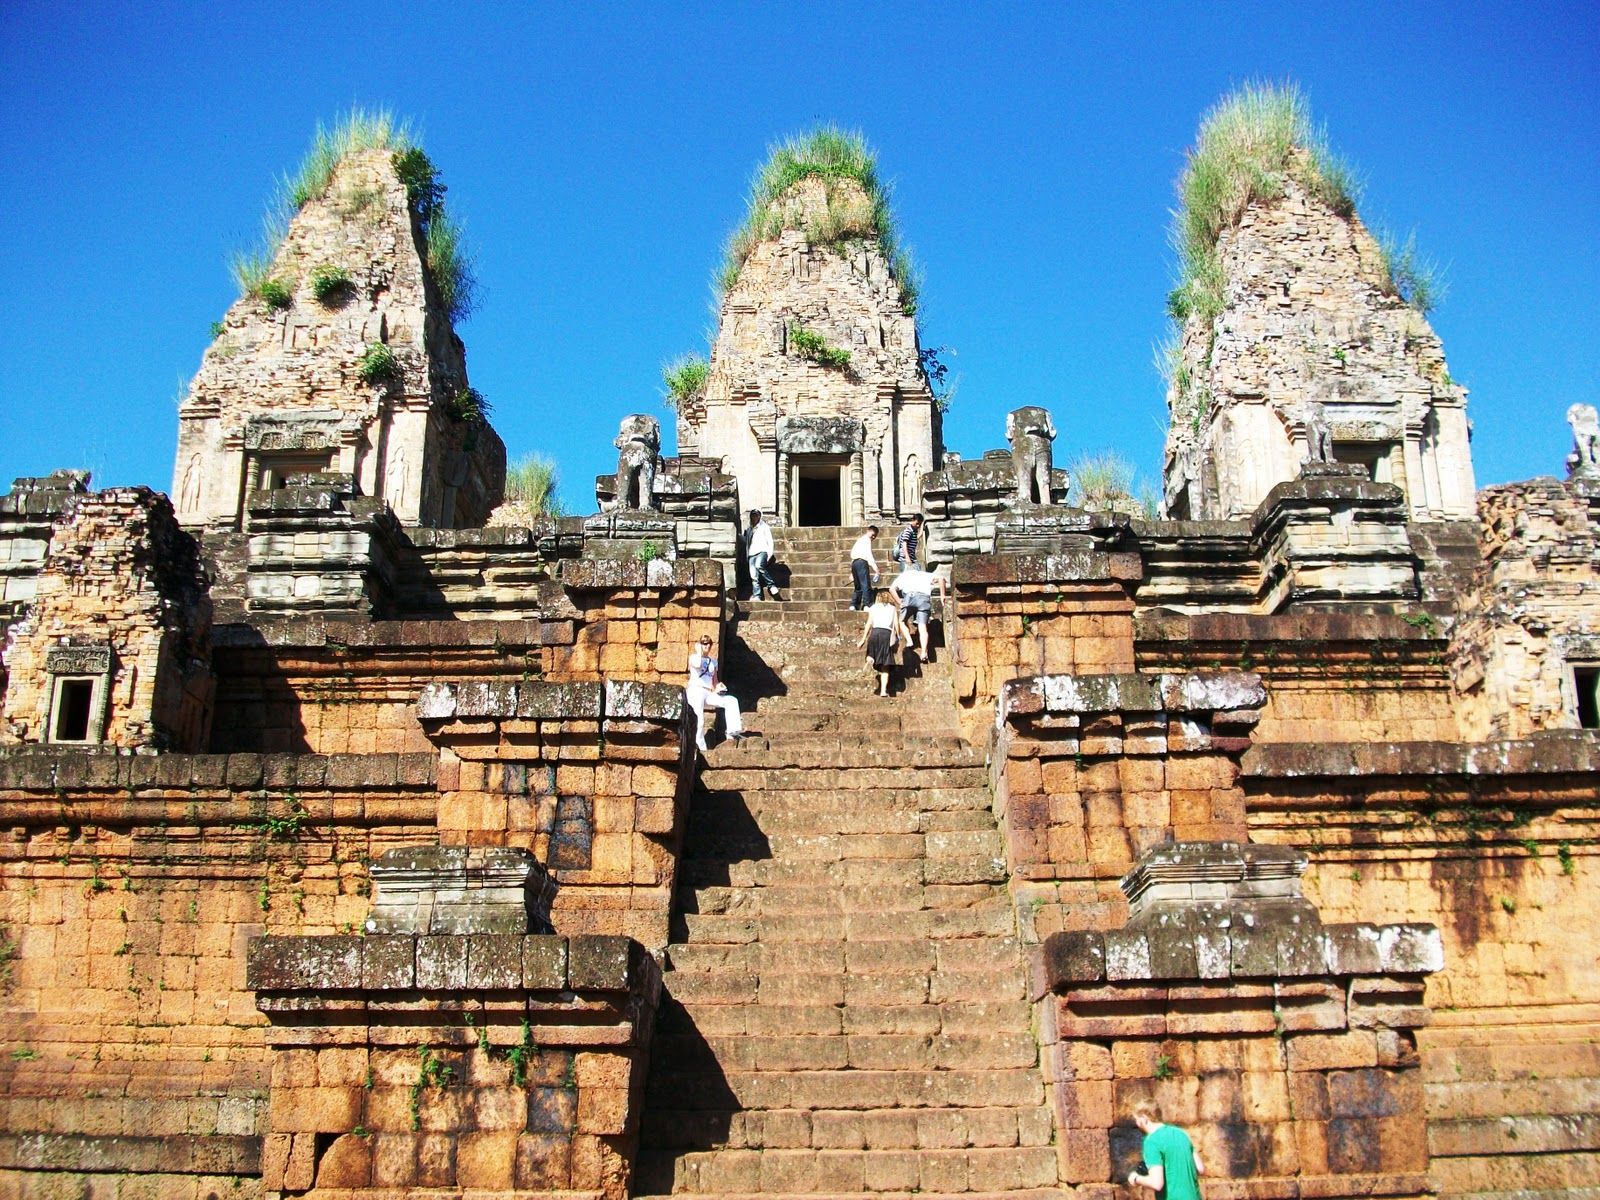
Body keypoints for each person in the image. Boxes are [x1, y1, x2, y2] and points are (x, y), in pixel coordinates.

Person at [1128, 1099, 1205, 1200]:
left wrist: (1135, 1178)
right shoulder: (1181, 1133)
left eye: (1137, 1119)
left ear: (1144, 1118)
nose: (1137, 1123)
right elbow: (1200, 1169)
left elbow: (1157, 1183)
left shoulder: (1151, 1141)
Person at [686, 634, 749, 751]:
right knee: (699, 720)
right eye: (704, 643)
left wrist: (719, 687)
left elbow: (714, 681)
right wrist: (699, 651)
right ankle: (700, 747)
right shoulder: (694, 657)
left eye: (709, 643)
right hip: (696, 690)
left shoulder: (713, 662)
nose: (707, 646)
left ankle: (732, 731)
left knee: (731, 700)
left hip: (708, 692)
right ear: (700, 645)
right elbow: (698, 665)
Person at [856, 587, 909, 698]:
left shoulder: (874, 608)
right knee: (886, 665)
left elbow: (869, 624)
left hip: (875, 632)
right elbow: (896, 624)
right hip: (887, 634)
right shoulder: (893, 609)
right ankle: (884, 691)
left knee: (872, 653)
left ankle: (871, 657)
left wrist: (863, 639)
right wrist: (898, 637)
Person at [890, 562, 947, 659]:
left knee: (902, 621)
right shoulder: (924, 574)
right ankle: (924, 652)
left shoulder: (904, 575)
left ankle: (909, 640)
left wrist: (899, 602)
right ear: (918, 569)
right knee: (922, 626)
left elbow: (891, 589)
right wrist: (942, 595)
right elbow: (942, 578)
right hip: (923, 599)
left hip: (909, 597)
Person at [746, 509, 779, 601]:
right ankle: (757, 595)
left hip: (762, 551)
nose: (754, 517)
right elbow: (747, 544)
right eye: (753, 515)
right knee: (754, 576)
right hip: (751, 554)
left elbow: (770, 541)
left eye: (756, 515)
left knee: (759, 566)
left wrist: (770, 554)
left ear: (759, 517)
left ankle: (772, 585)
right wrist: (747, 556)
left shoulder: (764, 527)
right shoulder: (749, 529)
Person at [848, 525, 880, 611]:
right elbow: (868, 555)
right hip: (862, 562)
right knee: (865, 584)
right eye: (872, 534)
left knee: (858, 586)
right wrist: (875, 568)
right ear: (868, 531)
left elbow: (854, 554)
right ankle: (867, 604)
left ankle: (854, 605)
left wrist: (852, 571)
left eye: (875, 536)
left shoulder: (860, 540)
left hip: (855, 563)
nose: (873, 537)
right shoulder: (866, 540)